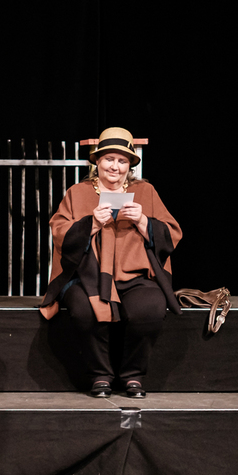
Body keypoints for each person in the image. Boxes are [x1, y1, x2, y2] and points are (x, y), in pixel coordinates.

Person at [39, 127, 182, 398]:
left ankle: (133, 375)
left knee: (150, 309)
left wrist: (143, 221)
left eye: (122, 161)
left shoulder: (145, 191)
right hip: (87, 276)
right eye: (109, 159)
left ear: (129, 166)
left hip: (135, 276)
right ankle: (100, 375)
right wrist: (91, 223)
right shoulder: (78, 192)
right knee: (84, 311)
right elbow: (59, 231)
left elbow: (172, 232)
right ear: (97, 161)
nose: (115, 166)